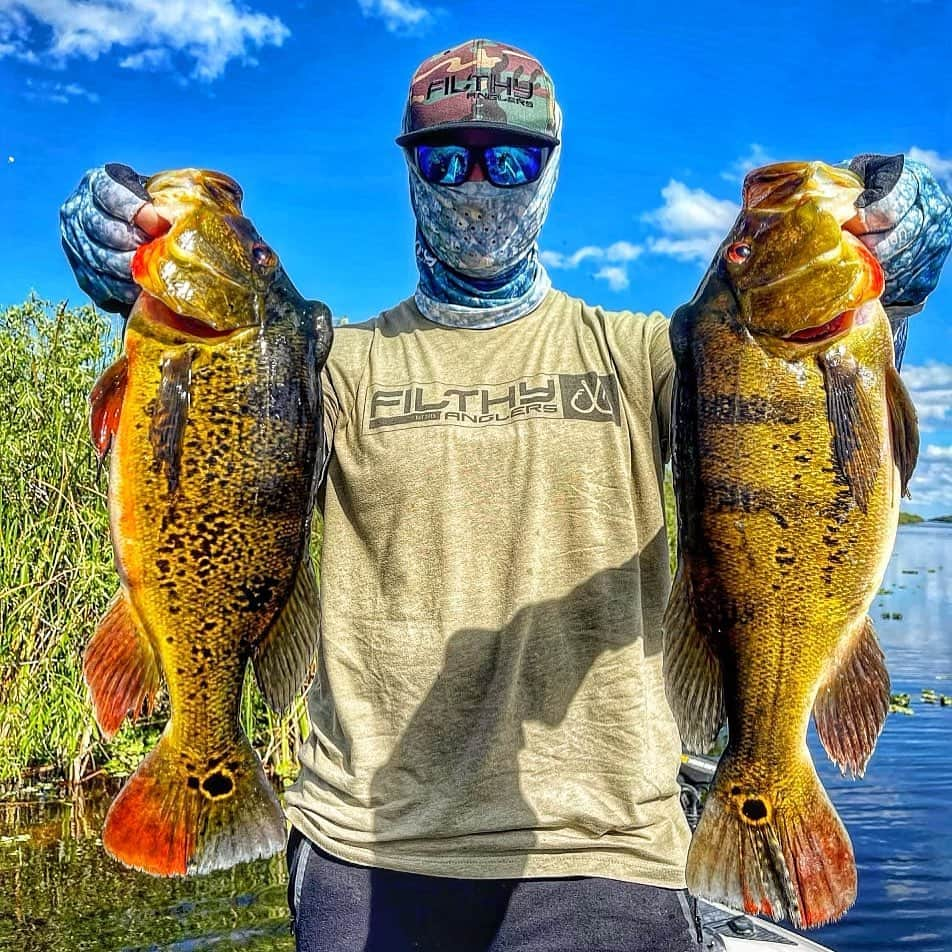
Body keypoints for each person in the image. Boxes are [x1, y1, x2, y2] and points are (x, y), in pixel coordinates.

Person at [60, 38, 951, 952]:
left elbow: (792, 423)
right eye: (446, 158)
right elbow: (221, 444)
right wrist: (126, 273)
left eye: (510, 157)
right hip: (363, 847)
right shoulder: (337, 364)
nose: (478, 184)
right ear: (410, 170)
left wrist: (902, 276)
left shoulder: (645, 351)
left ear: (550, 168)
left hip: (610, 851)